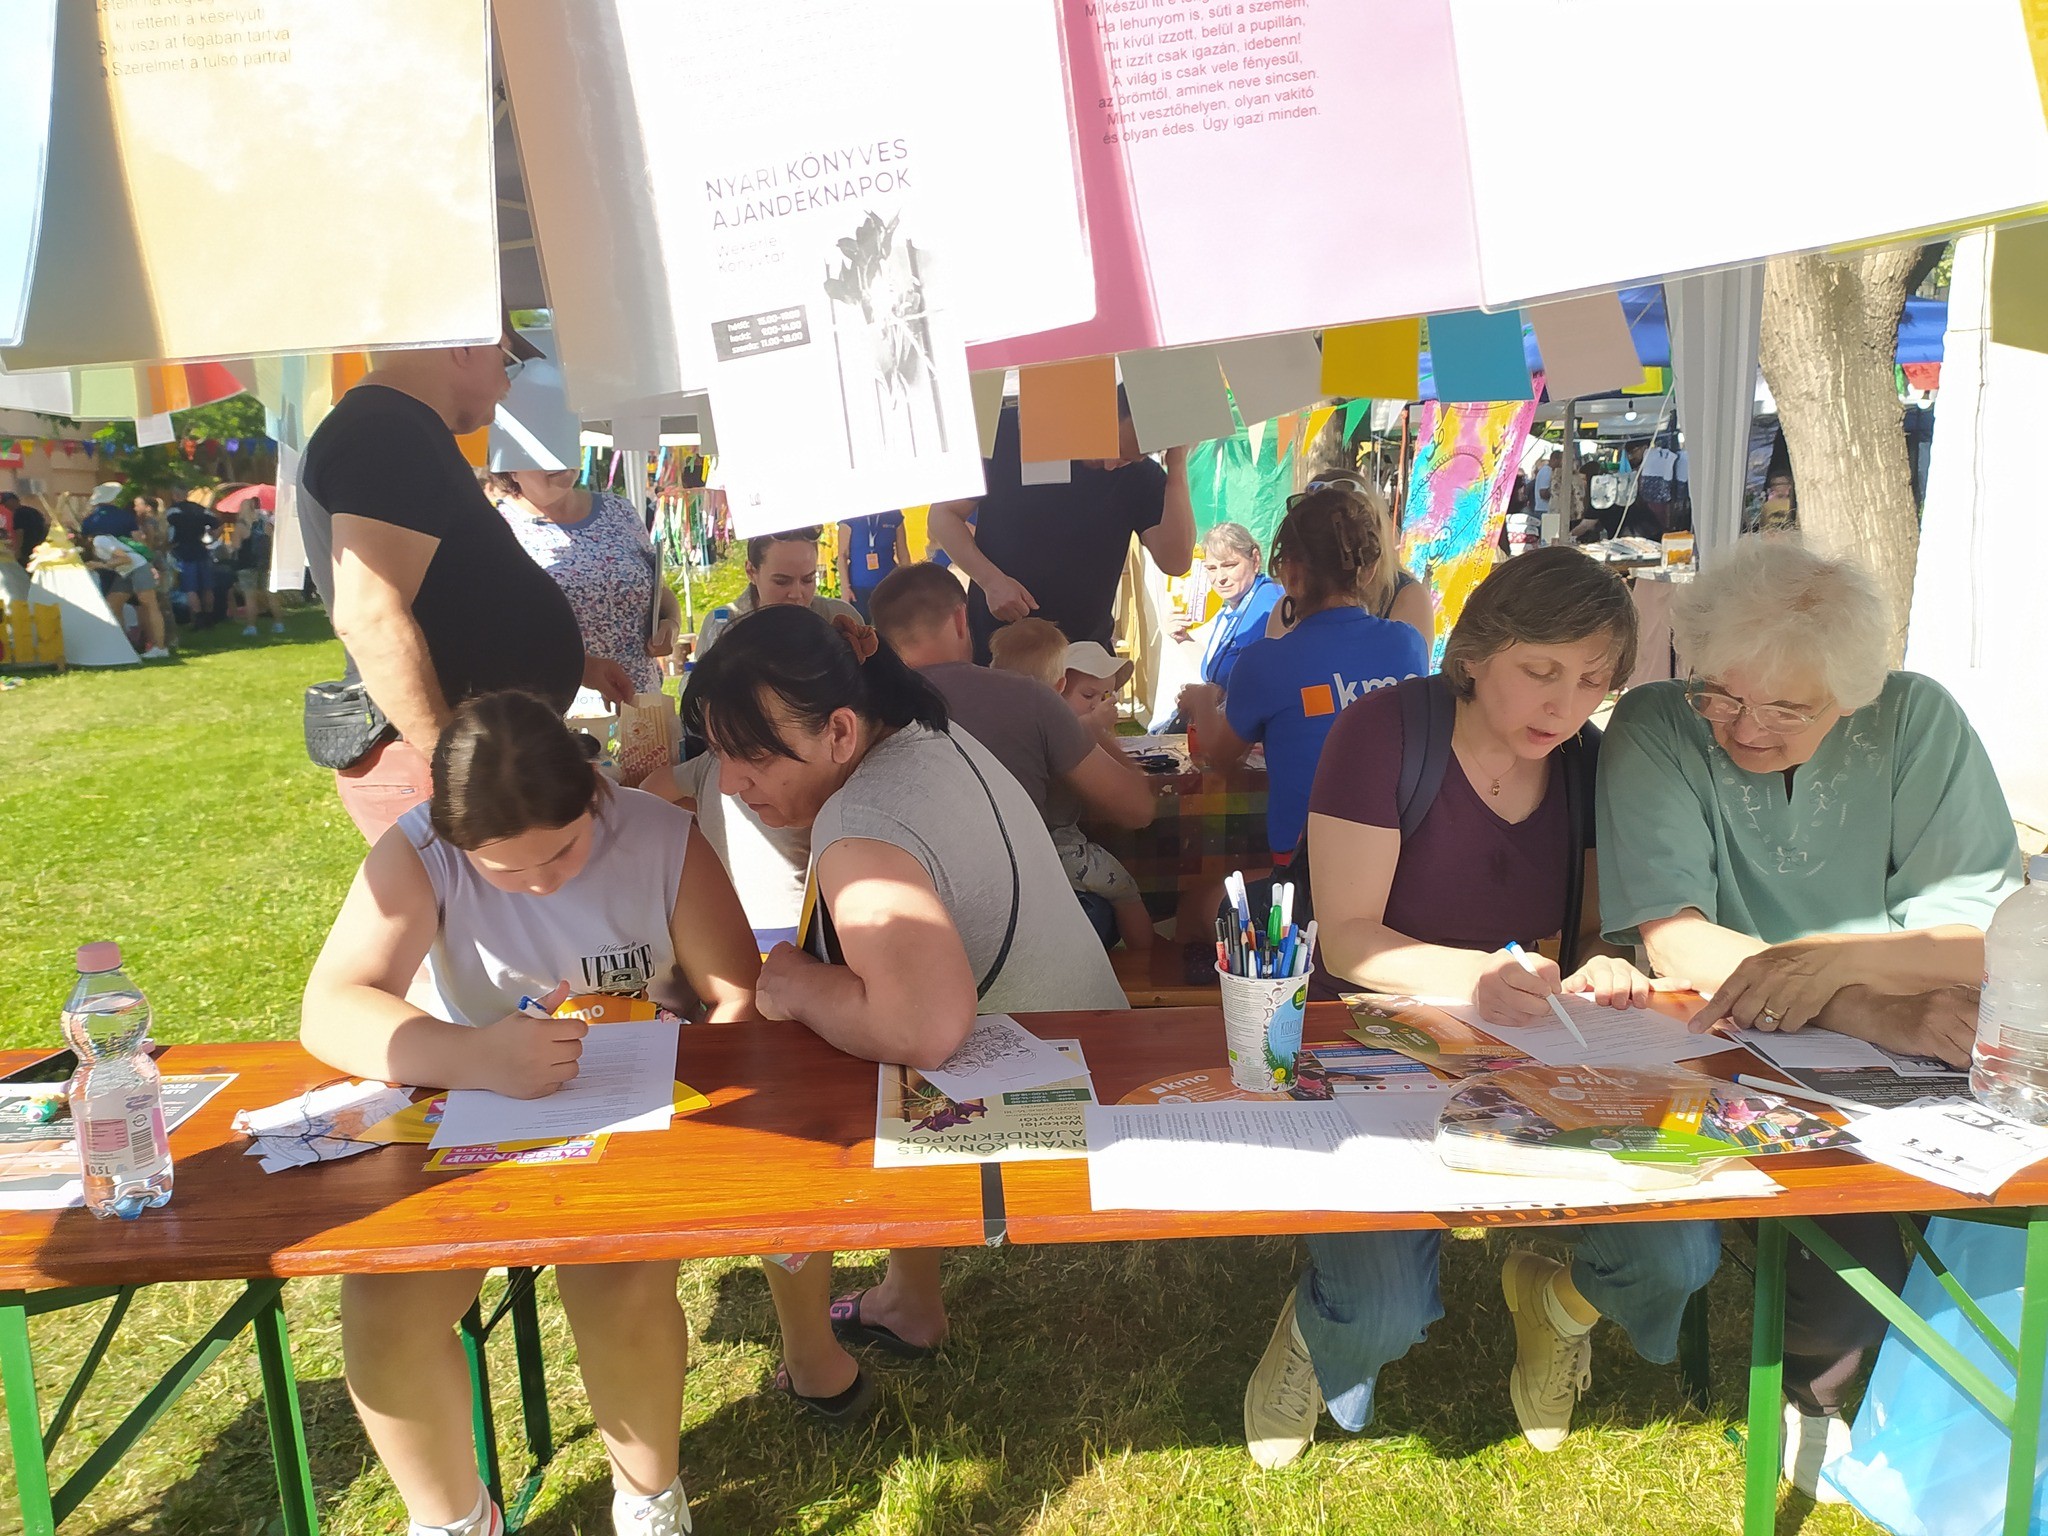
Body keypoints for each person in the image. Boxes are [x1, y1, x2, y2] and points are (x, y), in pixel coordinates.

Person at [1243, 546, 1712, 1469]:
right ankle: (1316, 1334)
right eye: (1541, 671)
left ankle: (1555, 1305)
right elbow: (1348, 942)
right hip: (1375, 1044)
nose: (1565, 705)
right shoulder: (1383, 733)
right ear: (1475, 652)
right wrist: (1479, 977)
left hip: (1534, 1046)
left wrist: (1605, 965)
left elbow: (1590, 934)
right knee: (1380, 1308)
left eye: (1591, 681)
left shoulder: (1587, 761)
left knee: (1680, 1253)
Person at [1595, 536, 2021, 1500]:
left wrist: (1835, 964)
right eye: (1724, 695)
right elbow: (1677, 940)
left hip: (1933, 1032)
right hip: (1746, 1045)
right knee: (1849, 1253)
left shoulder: (1917, 718)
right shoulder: (1661, 723)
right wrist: (1869, 1003)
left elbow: (1980, 936)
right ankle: (1816, 1395)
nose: (1746, 729)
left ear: (1854, 696)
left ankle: (1980, 1414)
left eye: (1789, 709)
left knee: (2010, 1211)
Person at [302, 691, 758, 1536]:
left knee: (621, 1283)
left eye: (564, 850)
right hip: (480, 1113)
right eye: (505, 871)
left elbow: (737, 998)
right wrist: (475, 1057)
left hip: (639, 1114)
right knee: (386, 1306)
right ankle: (452, 1519)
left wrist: (687, 1089)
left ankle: (648, 1499)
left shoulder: (659, 838)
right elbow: (330, 1008)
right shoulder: (421, 851)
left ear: (595, 794)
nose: (542, 881)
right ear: (452, 836)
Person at [679, 605, 1125, 1422]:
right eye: (719, 753)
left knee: (786, 1100)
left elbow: (924, 1029)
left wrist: (792, 984)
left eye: (753, 757)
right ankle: (907, 1300)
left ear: (840, 732)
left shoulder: (858, 828)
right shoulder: (928, 732)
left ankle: (820, 1356)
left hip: (1057, 1102)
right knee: (846, 1034)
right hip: (1088, 1043)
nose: (733, 784)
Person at [298, 322, 634, 844]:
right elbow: (371, 617)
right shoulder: (387, 432)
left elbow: (452, 594)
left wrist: (578, 665)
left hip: (460, 751)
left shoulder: (398, 427)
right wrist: (460, 771)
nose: (507, 384)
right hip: (439, 760)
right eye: (506, 359)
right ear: (464, 345)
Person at [869, 563, 1158, 949]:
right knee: (1102, 908)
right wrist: (1096, 732)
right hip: (1022, 923)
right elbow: (1138, 810)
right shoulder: (1030, 697)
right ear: (960, 619)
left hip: (909, 923)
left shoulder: (861, 713)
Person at [1181, 486, 1430, 862]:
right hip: (1400, 853)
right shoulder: (1408, 643)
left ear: (1289, 572)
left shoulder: (1266, 661)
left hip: (1306, 860)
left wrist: (1200, 699)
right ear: (1369, 571)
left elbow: (1219, 757)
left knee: (1205, 894)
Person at [929, 392, 1195, 663]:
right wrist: (990, 581)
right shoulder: (1011, 435)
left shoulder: (1140, 475)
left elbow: (1176, 562)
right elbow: (942, 515)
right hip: (999, 648)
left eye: (1129, 458)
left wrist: (1177, 468)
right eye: (1114, 447)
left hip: (1083, 656)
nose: (1111, 465)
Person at [485, 468, 682, 704]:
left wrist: (671, 623)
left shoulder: (618, 510)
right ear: (511, 470)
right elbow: (497, 634)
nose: (556, 461)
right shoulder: (495, 528)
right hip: (556, 713)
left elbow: (658, 589)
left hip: (641, 707)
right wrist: (580, 667)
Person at [692, 527, 860, 659]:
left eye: (808, 579)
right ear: (751, 572)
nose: (797, 594)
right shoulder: (722, 627)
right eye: (781, 581)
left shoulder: (839, 618)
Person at [1170, 522, 1281, 696]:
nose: (1220, 578)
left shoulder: (1271, 602)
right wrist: (1183, 638)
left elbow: (1270, 683)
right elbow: (1216, 672)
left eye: (1230, 565)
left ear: (1255, 559)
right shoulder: (1232, 608)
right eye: (1211, 568)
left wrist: (1212, 701)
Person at [86, 532, 169, 659]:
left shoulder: (99, 540)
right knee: (112, 604)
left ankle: (160, 648)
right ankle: (122, 645)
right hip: (125, 572)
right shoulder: (97, 544)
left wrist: (101, 565)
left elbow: (126, 559)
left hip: (138, 567)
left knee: (150, 605)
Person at [164, 488, 222, 629]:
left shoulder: (173, 511)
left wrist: (168, 545)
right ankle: (209, 617)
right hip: (201, 550)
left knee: (190, 588)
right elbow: (218, 524)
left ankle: (197, 619)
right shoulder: (200, 509)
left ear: (174, 495)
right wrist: (212, 539)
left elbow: (166, 529)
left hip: (183, 551)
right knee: (207, 586)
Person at [835, 510, 907, 620]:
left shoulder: (894, 515)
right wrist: (845, 589)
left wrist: (907, 586)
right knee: (861, 626)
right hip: (858, 589)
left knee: (889, 625)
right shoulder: (849, 516)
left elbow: (903, 555)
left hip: (888, 586)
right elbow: (842, 555)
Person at [232, 505, 287, 635]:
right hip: (265, 563)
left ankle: (251, 627)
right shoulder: (266, 524)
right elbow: (274, 541)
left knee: (250, 597)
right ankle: (279, 624)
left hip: (246, 564)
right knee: (271, 595)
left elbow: (235, 545)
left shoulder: (241, 525)